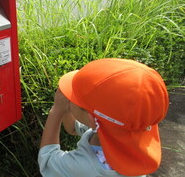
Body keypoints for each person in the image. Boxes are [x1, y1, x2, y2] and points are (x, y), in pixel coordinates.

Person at [38, 58, 169, 177]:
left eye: (74, 98)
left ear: (91, 119)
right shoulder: (131, 127)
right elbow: (72, 128)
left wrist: (56, 111)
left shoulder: (85, 166)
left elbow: (47, 160)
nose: (70, 97)